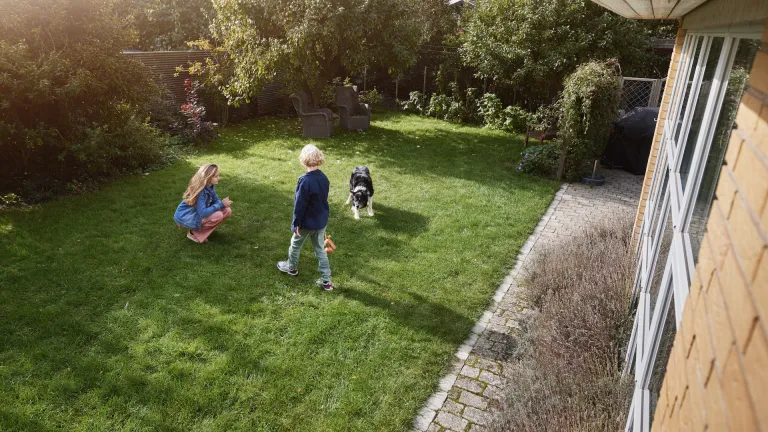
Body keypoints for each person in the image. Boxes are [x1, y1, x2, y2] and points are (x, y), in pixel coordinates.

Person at [277, 144, 333, 291]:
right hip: (321, 222)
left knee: (295, 245)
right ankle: (327, 281)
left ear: (303, 160)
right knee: (320, 249)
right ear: (319, 158)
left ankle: (291, 268)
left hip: (306, 223)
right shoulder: (324, 178)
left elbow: (300, 205)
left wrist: (296, 223)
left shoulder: (305, 180)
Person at [174, 163, 233, 243]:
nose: (218, 178)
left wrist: (222, 204)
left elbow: (216, 199)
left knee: (227, 211)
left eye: (218, 175)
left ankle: (202, 232)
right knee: (218, 215)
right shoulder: (201, 191)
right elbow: (203, 213)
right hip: (186, 217)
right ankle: (193, 233)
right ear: (208, 178)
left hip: (196, 213)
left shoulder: (210, 186)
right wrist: (220, 205)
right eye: (216, 176)